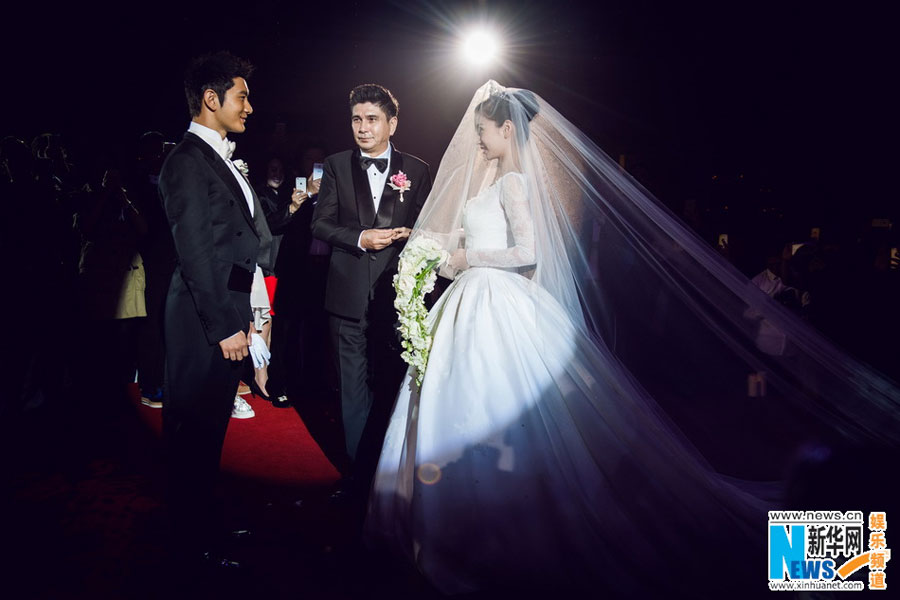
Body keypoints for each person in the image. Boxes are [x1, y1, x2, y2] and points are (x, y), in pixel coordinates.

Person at [365, 82, 900, 596]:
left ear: (506, 130)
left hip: (493, 299)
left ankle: (490, 532)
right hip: (475, 300)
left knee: (495, 412)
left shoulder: (514, 182)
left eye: (483, 131)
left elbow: (526, 252)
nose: (476, 140)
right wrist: (438, 253)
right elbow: (486, 239)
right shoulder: (493, 179)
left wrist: (464, 258)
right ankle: (473, 526)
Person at [158, 51, 271, 566]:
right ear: (212, 99)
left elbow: (238, 243)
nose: (250, 106)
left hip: (226, 318)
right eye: (242, 96)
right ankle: (189, 545)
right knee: (192, 434)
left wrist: (248, 317)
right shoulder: (185, 161)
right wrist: (225, 326)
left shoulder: (218, 157)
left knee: (210, 433)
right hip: (202, 323)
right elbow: (195, 252)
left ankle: (203, 528)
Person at [311, 84, 432, 491]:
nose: (362, 128)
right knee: (350, 389)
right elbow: (320, 224)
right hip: (345, 295)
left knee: (392, 385)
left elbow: (427, 227)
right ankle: (358, 474)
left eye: (372, 119)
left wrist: (414, 234)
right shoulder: (336, 165)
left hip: (394, 299)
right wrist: (361, 237)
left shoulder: (416, 170)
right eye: (356, 119)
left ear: (392, 123)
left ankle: (392, 468)